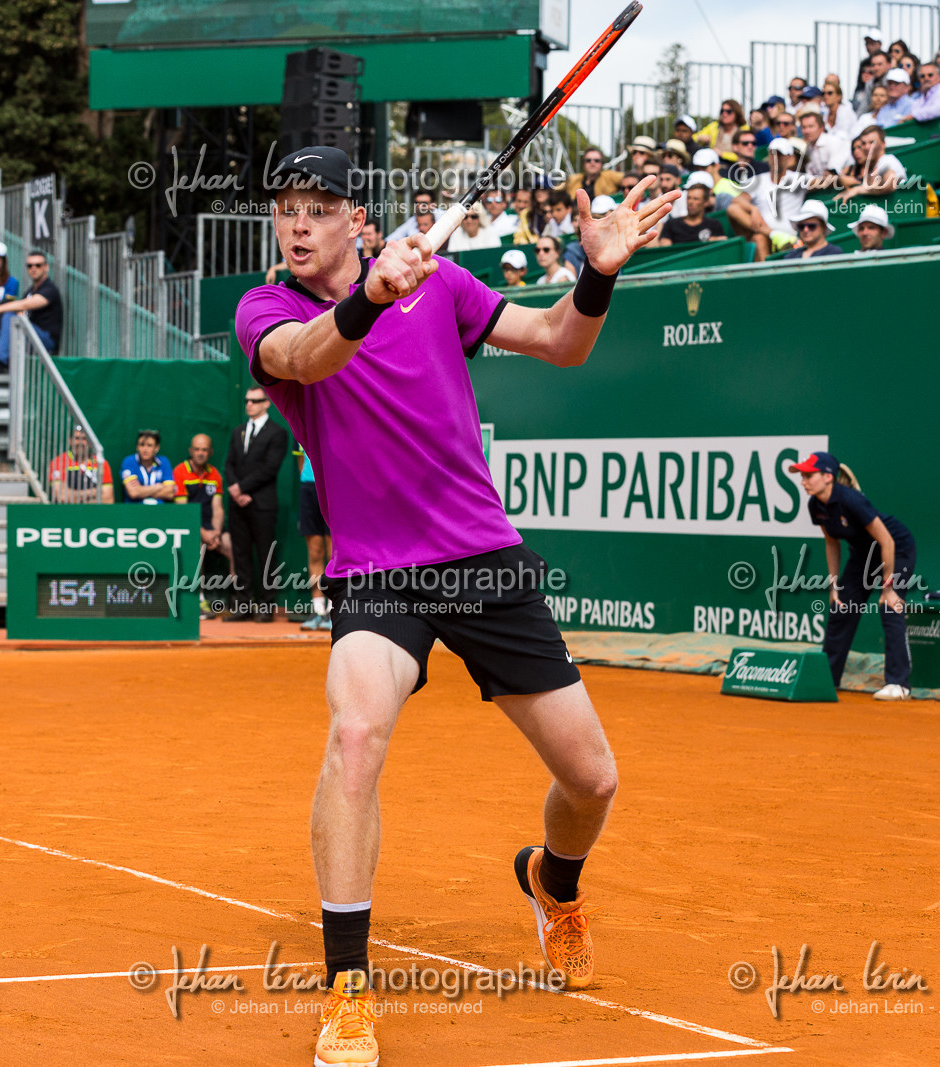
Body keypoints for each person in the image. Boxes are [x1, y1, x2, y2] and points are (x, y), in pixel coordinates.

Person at [233, 146, 674, 1066]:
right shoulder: (268, 307)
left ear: (358, 218)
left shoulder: (443, 287)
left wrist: (594, 275)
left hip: (482, 560)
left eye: (320, 207)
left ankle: (553, 884)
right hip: (376, 573)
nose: (299, 225)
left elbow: (560, 341)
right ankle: (348, 987)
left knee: (593, 780)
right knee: (355, 733)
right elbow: (307, 359)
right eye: (287, 210)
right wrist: (370, 297)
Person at [791, 451, 916, 701]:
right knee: (841, 608)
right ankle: (827, 679)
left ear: (828, 477)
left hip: (895, 550)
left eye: (808, 475)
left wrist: (888, 588)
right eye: (802, 476)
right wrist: (833, 585)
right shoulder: (815, 505)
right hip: (861, 555)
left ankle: (898, 684)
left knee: (890, 607)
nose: (803, 481)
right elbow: (832, 544)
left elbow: (887, 541)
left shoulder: (851, 500)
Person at [222, 385, 288, 622]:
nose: (249, 404)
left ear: (266, 403)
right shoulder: (237, 431)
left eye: (254, 401)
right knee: (240, 555)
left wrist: (242, 488)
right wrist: (235, 489)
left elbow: (270, 468)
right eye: (247, 401)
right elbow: (229, 464)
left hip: (262, 504)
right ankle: (243, 605)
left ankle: (266, 607)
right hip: (238, 504)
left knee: (265, 555)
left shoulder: (278, 433)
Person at [173, 432, 232, 615]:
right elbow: (182, 512)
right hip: (188, 526)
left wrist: (215, 532)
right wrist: (202, 533)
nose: (200, 453)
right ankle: (198, 600)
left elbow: (218, 509)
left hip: (210, 526)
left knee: (232, 545)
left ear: (210, 452)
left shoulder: (214, 474)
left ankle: (239, 597)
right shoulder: (180, 471)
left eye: (204, 450)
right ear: (190, 451)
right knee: (197, 548)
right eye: (197, 449)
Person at [0, 248, 61, 362]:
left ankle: (1, 360)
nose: (33, 268)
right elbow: (22, 311)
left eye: (38, 265)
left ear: (46, 267)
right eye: (30, 266)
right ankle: (11, 356)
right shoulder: (30, 291)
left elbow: (25, 305)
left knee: (9, 316)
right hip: (26, 336)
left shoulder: (49, 289)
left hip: (45, 340)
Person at [295, 441, 332, 631]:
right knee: (315, 551)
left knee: (335, 552)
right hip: (309, 490)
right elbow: (300, 462)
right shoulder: (299, 422)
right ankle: (318, 610)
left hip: (334, 486)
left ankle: (335, 610)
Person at [48, 425, 113, 503]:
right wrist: (95, 492)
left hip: (96, 513)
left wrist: (74, 496)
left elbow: (108, 499)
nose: (80, 442)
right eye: (77, 438)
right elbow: (62, 497)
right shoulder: (58, 462)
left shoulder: (101, 463)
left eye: (85, 439)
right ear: (70, 440)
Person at [656, 176, 726, 244]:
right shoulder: (672, 224)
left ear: (706, 202)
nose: (691, 202)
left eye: (696, 199)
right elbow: (665, 247)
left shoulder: (714, 225)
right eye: (689, 198)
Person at [118, 429, 175, 505]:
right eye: (141, 445)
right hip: (135, 510)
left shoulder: (164, 462)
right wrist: (158, 487)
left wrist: (141, 491)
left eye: (149, 445)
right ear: (137, 447)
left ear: (156, 448)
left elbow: (170, 493)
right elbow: (133, 493)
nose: (145, 449)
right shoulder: (129, 462)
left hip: (159, 510)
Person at [782, 200, 847, 259]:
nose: (805, 230)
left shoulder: (834, 253)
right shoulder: (791, 256)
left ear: (823, 227)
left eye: (811, 226)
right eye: (801, 226)